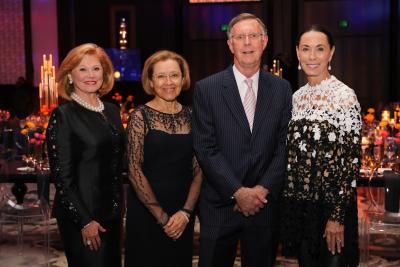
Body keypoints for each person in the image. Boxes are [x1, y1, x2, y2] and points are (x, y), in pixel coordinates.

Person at [192, 13, 292, 267]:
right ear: (230, 45)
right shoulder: (207, 88)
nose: (247, 43)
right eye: (240, 37)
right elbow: (205, 147)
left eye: (253, 36)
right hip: (220, 203)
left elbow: (284, 146)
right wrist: (237, 192)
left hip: (264, 204)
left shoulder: (281, 89)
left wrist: (260, 190)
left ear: (264, 42)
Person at [281, 25, 361, 267]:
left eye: (319, 49)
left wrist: (336, 216)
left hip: (332, 207)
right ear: (297, 53)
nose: (312, 57)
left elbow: (352, 161)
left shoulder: (344, 96)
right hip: (302, 208)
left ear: (331, 53)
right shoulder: (297, 97)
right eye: (306, 49)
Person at [46, 43, 125, 267]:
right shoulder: (63, 115)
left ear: (105, 73)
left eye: (96, 68)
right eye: (82, 69)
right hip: (83, 215)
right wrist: (84, 220)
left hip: (112, 212)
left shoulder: (111, 110)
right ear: (70, 75)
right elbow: (62, 177)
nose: (91, 75)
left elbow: (118, 159)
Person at [124, 50, 202, 267]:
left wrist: (186, 212)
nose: (169, 82)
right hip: (147, 211)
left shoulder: (193, 115)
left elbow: (199, 169)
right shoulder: (140, 116)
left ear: (183, 78)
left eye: (174, 75)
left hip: (182, 211)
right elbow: (134, 169)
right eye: (161, 76)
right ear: (150, 81)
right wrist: (162, 218)